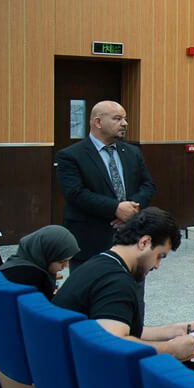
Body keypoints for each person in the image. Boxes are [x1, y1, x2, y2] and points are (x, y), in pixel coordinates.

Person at [53, 207, 194, 380]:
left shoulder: (100, 263)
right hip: (90, 377)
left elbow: (117, 328)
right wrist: (172, 349)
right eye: (159, 256)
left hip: (67, 367)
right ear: (144, 243)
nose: (157, 266)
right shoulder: (117, 282)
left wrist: (171, 331)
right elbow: (115, 344)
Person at [55, 101, 155, 271]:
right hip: (90, 241)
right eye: (117, 118)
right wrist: (116, 208)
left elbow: (147, 185)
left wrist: (131, 208)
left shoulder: (132, 152)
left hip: (131, 238)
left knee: (131, 287)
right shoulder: (71, 155)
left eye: (125, 118)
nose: (125, 123)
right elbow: (75, 193)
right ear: (98, 122)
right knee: (89, 286)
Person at [0, 225, 79, 298]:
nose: (66, 266)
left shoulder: (18, 261)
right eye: (61, 261)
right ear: (47, 255)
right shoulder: (31, 278)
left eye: (69, 260)